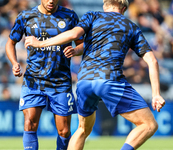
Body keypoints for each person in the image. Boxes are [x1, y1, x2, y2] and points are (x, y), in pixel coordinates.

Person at [24, 0, 166, 150]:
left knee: (82, 129)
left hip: (84, 81)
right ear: (124, 8)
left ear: (105, 5)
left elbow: (74, 35)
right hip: (109, 79)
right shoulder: (131, 26)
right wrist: (156, 94)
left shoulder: (92, 16)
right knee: (149, 124)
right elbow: (152, 61)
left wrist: (41, 43)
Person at [5, 0, 83, 150]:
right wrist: (14, 62)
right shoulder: (26, 16)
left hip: (60, 82)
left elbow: (82, 44)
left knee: (64, 131)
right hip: (33, 81)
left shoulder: (69, 16)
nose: (51, 1)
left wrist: (76, 50)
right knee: (29, 124)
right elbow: (10, 43)